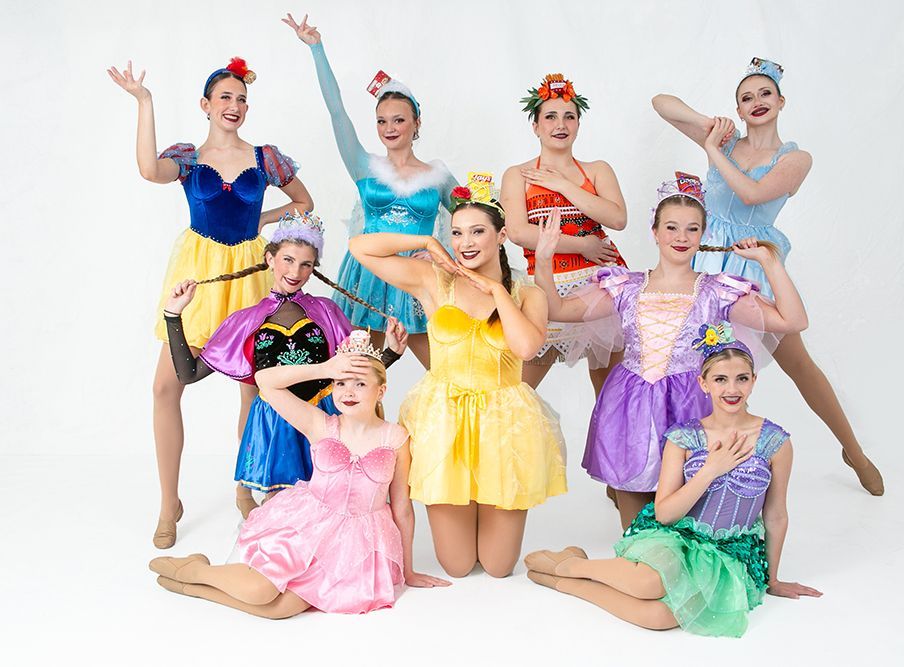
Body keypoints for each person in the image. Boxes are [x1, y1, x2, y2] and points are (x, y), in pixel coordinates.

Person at [652, 58, 883, 495]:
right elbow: (661, 104)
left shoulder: (795, 157)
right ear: (737, 109)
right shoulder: (727, 138)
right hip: (701, 262)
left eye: (764, 94)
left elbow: (753, 193)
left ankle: (852, 449)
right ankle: (665, 468)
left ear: (781, 101)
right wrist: (710, 126)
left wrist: (712, 150)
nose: (757, 102)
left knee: (800, 366)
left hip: (751, 264)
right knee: (683, 364)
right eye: (746, 97)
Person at [108, 57, 314, 547]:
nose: (234, 106)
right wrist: (144, 100)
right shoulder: (188, 158)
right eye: (225, 97)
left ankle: (245, 487)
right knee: (166, 386)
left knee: (253, 389)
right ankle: (168, 502)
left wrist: (263, 222)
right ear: (206, 105)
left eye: (242, 99)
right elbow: (146, 169)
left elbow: (304, 203)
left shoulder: (265, 158)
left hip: (248, 275)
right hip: (199, 276)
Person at [535, 173, 808, 527]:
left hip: (691, 405)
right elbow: (557, 310)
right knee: (635, 532)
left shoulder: (717, 291)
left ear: (703, 234)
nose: (681, 238)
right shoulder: (625, 286)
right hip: (630, 407)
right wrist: (544, 260)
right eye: (672, 228)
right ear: (655, 231)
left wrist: (769, 263)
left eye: (692, 229)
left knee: (685, 517)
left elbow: (793, 320)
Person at [525, 323, 821, 637]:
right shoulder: (684, 438)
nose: (731, 389)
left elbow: (775, 515)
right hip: (679, 539)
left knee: (660, 617)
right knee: (649, 583)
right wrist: (710, 469)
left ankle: (565, 581)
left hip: (730, 553)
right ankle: (573, 565)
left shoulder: (775, 442)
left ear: (753, 382)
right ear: (703, 383)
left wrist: (773, 580)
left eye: (741, 379)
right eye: (720, 379)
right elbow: (665, 513)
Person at [349, 179, 567, 578]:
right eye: (457, 232)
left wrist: (496, 291)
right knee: (458, 565)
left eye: (478, 231)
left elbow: (525, 348)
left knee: (500, 567)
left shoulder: (528, 293)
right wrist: (428, 243)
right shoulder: (434, 280)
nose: (465, 242)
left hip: (505, 424)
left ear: (501, 236)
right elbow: (360, 247)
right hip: (445, 420)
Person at [149, 331, 449, 618]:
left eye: (359, 384)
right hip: (311, 527)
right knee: (261, 592)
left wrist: (407, 571)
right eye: (341, 383)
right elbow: (265, 381)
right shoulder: (321, 424)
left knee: (283, 609)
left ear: (380, 390)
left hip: (356, 541)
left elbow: (402, 508)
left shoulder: (396, 438)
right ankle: (198, 571)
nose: (348, 391)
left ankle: (195, 588)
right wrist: (326, 366)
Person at [162, 211, 407, 519]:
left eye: (306, 264)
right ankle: (246, 502)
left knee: (328, 512)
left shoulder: (326, 312)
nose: (296, 271)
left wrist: (391, 354)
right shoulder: (244, 320)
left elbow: (354, 373)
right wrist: (173, 316)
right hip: (276, 426)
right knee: (284, 519)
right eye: (288, 260)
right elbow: (188, 373)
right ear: (270, 258)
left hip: (324, 420)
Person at [282, 13, 458, 368]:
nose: (389, 128)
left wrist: (444, 255)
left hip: (418, 278)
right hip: (369, 274)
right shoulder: (364, 166)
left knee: (445, 371)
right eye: (381, 121)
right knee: (360, 370)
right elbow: (337, 113)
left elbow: (472, 219)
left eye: (398, 120)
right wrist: (317, 49)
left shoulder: (438, 176)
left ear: (416, 122)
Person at [501, 72, 627, 394]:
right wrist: (582, 244)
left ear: (578, 124)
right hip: (546, 285)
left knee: (609, 393)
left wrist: (563, 185)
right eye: (551, 117)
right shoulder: (517, 175)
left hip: (599, 284)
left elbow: (617, 218)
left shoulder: (597, 169)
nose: (561, 125)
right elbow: (518, 231)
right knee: (516, 390)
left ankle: (610, 444)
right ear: (536, 125)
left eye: (569, 117)